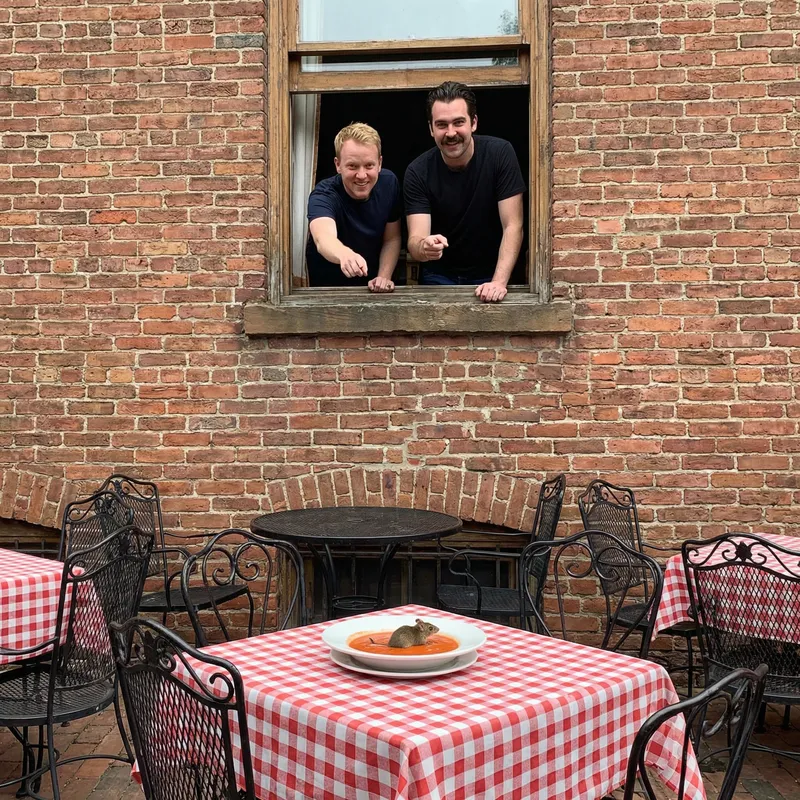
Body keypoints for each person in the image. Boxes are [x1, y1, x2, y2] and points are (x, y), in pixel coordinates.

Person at [404, 82, 526, 303]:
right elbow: (415, 239)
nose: (451, 133)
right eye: (441, 125)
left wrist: (498, 282)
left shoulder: (500, 154)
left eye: (458, 122)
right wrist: (425, 247)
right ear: (431, 129)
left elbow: (513, 225)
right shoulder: (418, 171)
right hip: (438, 276)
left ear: (474, 123)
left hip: (493, 272)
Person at [306, 122, 401, 291]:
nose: (362, 175)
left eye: (369, 165)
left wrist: (383, 277)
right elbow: (323, 238)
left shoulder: (389, 184)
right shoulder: (324, 194)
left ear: (380, 163)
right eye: (352, 166)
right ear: (338, 165)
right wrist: (345, 255)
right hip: (328, 289)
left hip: (373, 286)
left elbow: (392, 238)